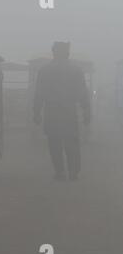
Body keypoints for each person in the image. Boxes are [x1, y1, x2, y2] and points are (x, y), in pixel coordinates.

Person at [33, 42, 91, 181]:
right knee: (71, 142)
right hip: (69, 112)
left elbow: (39, 94)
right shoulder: (76, 70)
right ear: (67, 53)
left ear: (53, 52)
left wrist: (36, 112)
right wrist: (86, 110)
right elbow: (83, 92)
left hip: (51, 112)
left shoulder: (44, 70)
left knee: (54, 143)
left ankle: (60, 172)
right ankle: (73, 172)